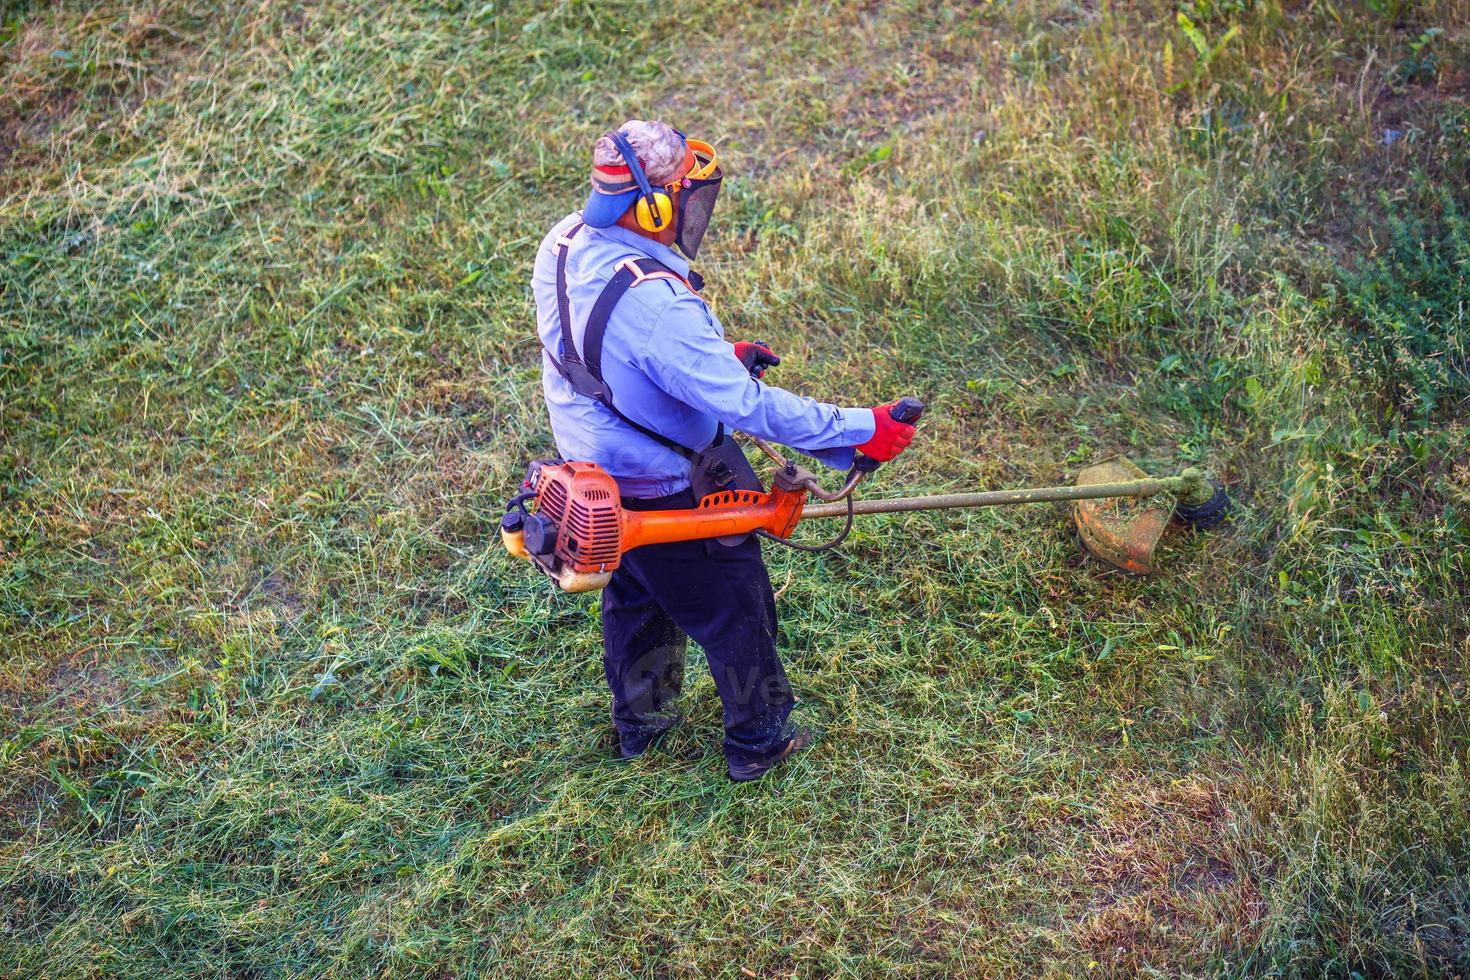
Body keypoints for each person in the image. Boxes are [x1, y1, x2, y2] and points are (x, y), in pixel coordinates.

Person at [530, 119, 918, 782]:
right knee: (734, 607)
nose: (693, 209)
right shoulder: (657, 307)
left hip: (595, 478)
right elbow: (750, 408)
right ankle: (759, 744)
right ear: (652, 206)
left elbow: (599, 352)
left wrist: (710, 362)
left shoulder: (563, 242)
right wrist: (861, 430)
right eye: (686, 195)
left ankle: (641, 728)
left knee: (637, 596)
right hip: (669, 487)